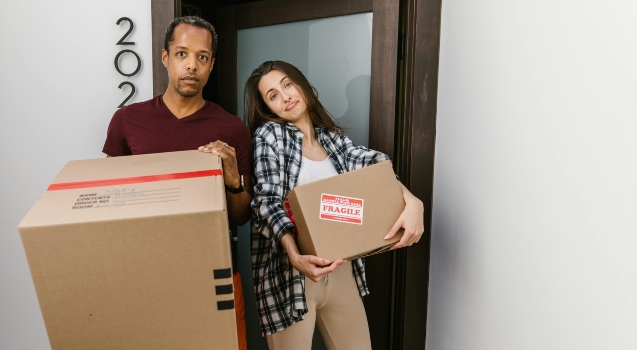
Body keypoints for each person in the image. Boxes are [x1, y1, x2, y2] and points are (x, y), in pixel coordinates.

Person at [244, 60, 425, 349]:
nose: (285, 96)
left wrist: (413, 202)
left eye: (287, 84)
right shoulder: (270, 136)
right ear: (268, 108)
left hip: (341, 270)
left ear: (301, 85)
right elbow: (266, 202)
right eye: (273, 95)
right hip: (291, 276)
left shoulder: (333, 139)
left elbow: (375, 169)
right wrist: (293, 254)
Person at [102, 16, 251, 349]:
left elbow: (241, 216)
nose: (191, 66)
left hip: (216, 271)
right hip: (146, 271)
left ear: (211, 65)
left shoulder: (232, 129)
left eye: (202, 57)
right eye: (182, 54)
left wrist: (232, 181)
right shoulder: (127, 121)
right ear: (166, 58)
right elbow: (110, 203)